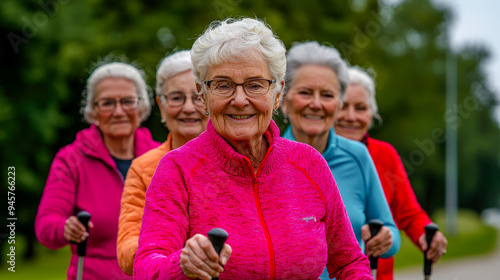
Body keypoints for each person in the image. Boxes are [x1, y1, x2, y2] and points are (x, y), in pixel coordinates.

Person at [134, 18, 372, 280]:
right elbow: (146, 267)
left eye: (255, 84)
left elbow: (350, 262)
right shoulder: (177, 169)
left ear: (278, 93)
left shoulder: (308, 163)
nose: (239, 100)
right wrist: (182, 266)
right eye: (222, 85)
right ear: (202, 95)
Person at [281, 41, 401, 280]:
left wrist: (385, 238)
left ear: (338, 106)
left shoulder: (358, 156)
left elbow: (392, 234)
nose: (316, 104)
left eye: (327, 95)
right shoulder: (263, 158)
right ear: (283, 101)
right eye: (305, 92)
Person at [35, 62, 160, 280]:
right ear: (92, 110)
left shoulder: (162, 157)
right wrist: (66, 228)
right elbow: (46, 225)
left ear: (142, 107)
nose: (119, 111)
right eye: (107, 103)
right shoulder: (71, 159)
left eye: (128, 101)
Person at [335, 66, 448, 280]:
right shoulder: (311, 154)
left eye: (361, 108)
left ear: (371, 114)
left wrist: (426, 234)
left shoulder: (384, 155)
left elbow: (409, 214)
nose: (351, 116)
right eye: (343, 106)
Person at [117, 50, 208, 275]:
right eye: (176, 98)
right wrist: (167, 253)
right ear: (161, 106)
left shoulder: (238, 160)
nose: (188, 107)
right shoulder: (143, 168)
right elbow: (127, 248)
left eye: (197, 97)